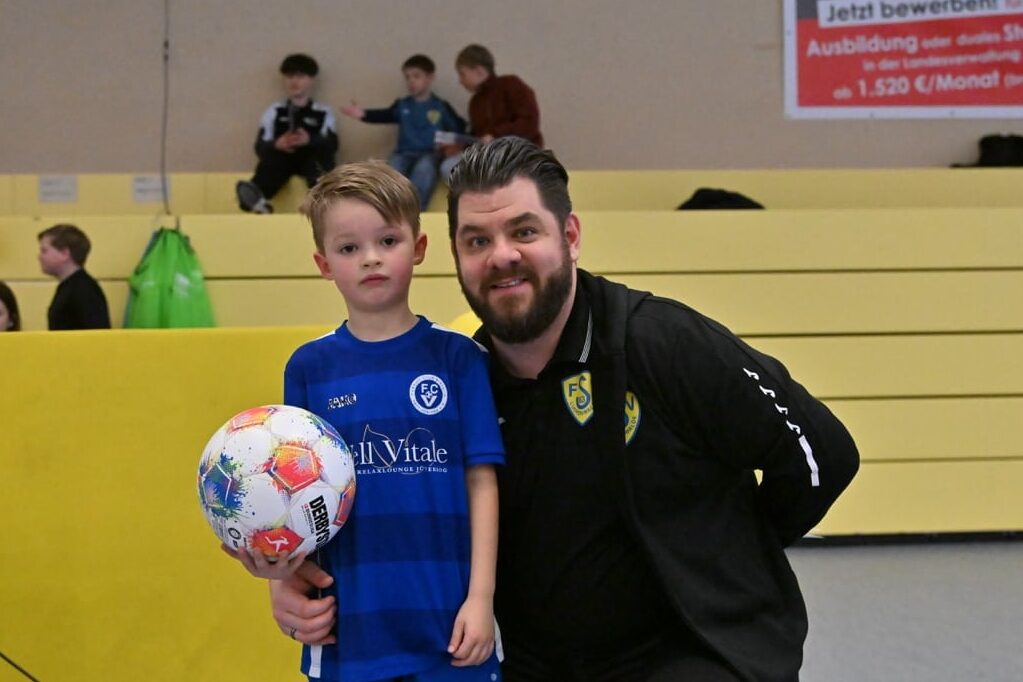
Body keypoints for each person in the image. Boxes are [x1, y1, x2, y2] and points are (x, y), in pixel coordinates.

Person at [271, 138, 860, 682]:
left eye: (524, 232)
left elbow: (822, 457)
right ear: (452, 255)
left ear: (570, 236)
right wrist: (288, 577)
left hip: (696, 655)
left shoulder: (662, 343)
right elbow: (384, 511)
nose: (502, 256)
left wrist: (727, 561)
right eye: (478, 240)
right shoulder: (465, 377)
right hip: (535, 664)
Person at [227, 161, 504, 682]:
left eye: (388, 240)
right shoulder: (308, 367)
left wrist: (482, 598)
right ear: (324, 263)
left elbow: (481, 480)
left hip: (451, 627)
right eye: (349, 248)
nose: (371, 258)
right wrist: (277, 580)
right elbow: (290, 496)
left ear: (419, 248)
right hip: (349, 631)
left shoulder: (459, 359)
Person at [340, 54, 467, 209]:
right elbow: (385, 115)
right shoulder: (402, 105)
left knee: (424, 170)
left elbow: (458, 128)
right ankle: (389, 211)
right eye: (407, 77)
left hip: (429, 154)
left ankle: (415, 211)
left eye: (416, 76)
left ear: (430, 78)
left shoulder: (440, 106)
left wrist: (453, 145)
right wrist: (363, 114)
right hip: (404, 153)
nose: (411, 81)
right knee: (390, 170)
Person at [236, 53, 339, 214]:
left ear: (311, 80)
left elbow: (333, 145)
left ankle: (322, 197)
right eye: (290, 76)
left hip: (310, 162)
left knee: (319, 155)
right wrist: (277, 144)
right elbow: (259, 147)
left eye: (300, 76)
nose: (294, 82)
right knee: (273, 158)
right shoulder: (274, 111)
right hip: (284, 160)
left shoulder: (323, 112)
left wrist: (309, 140)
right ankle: (258, 200)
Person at [438, 45, 542, 182]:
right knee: (449, 167)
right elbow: (479, 137)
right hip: (488, 154)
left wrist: (495, 135)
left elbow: (530, 122)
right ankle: (481, 200)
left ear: (479, 71)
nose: (460, 81)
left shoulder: (511, 85)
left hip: (518, 151)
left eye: (462, 74)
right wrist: (460, 146)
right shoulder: (475, 102)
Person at [37, 224, 111, 330]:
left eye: (44, 251)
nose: (39, 257)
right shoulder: (72, 287)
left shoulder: (85, 290)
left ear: (64, 254)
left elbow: (96, 333)